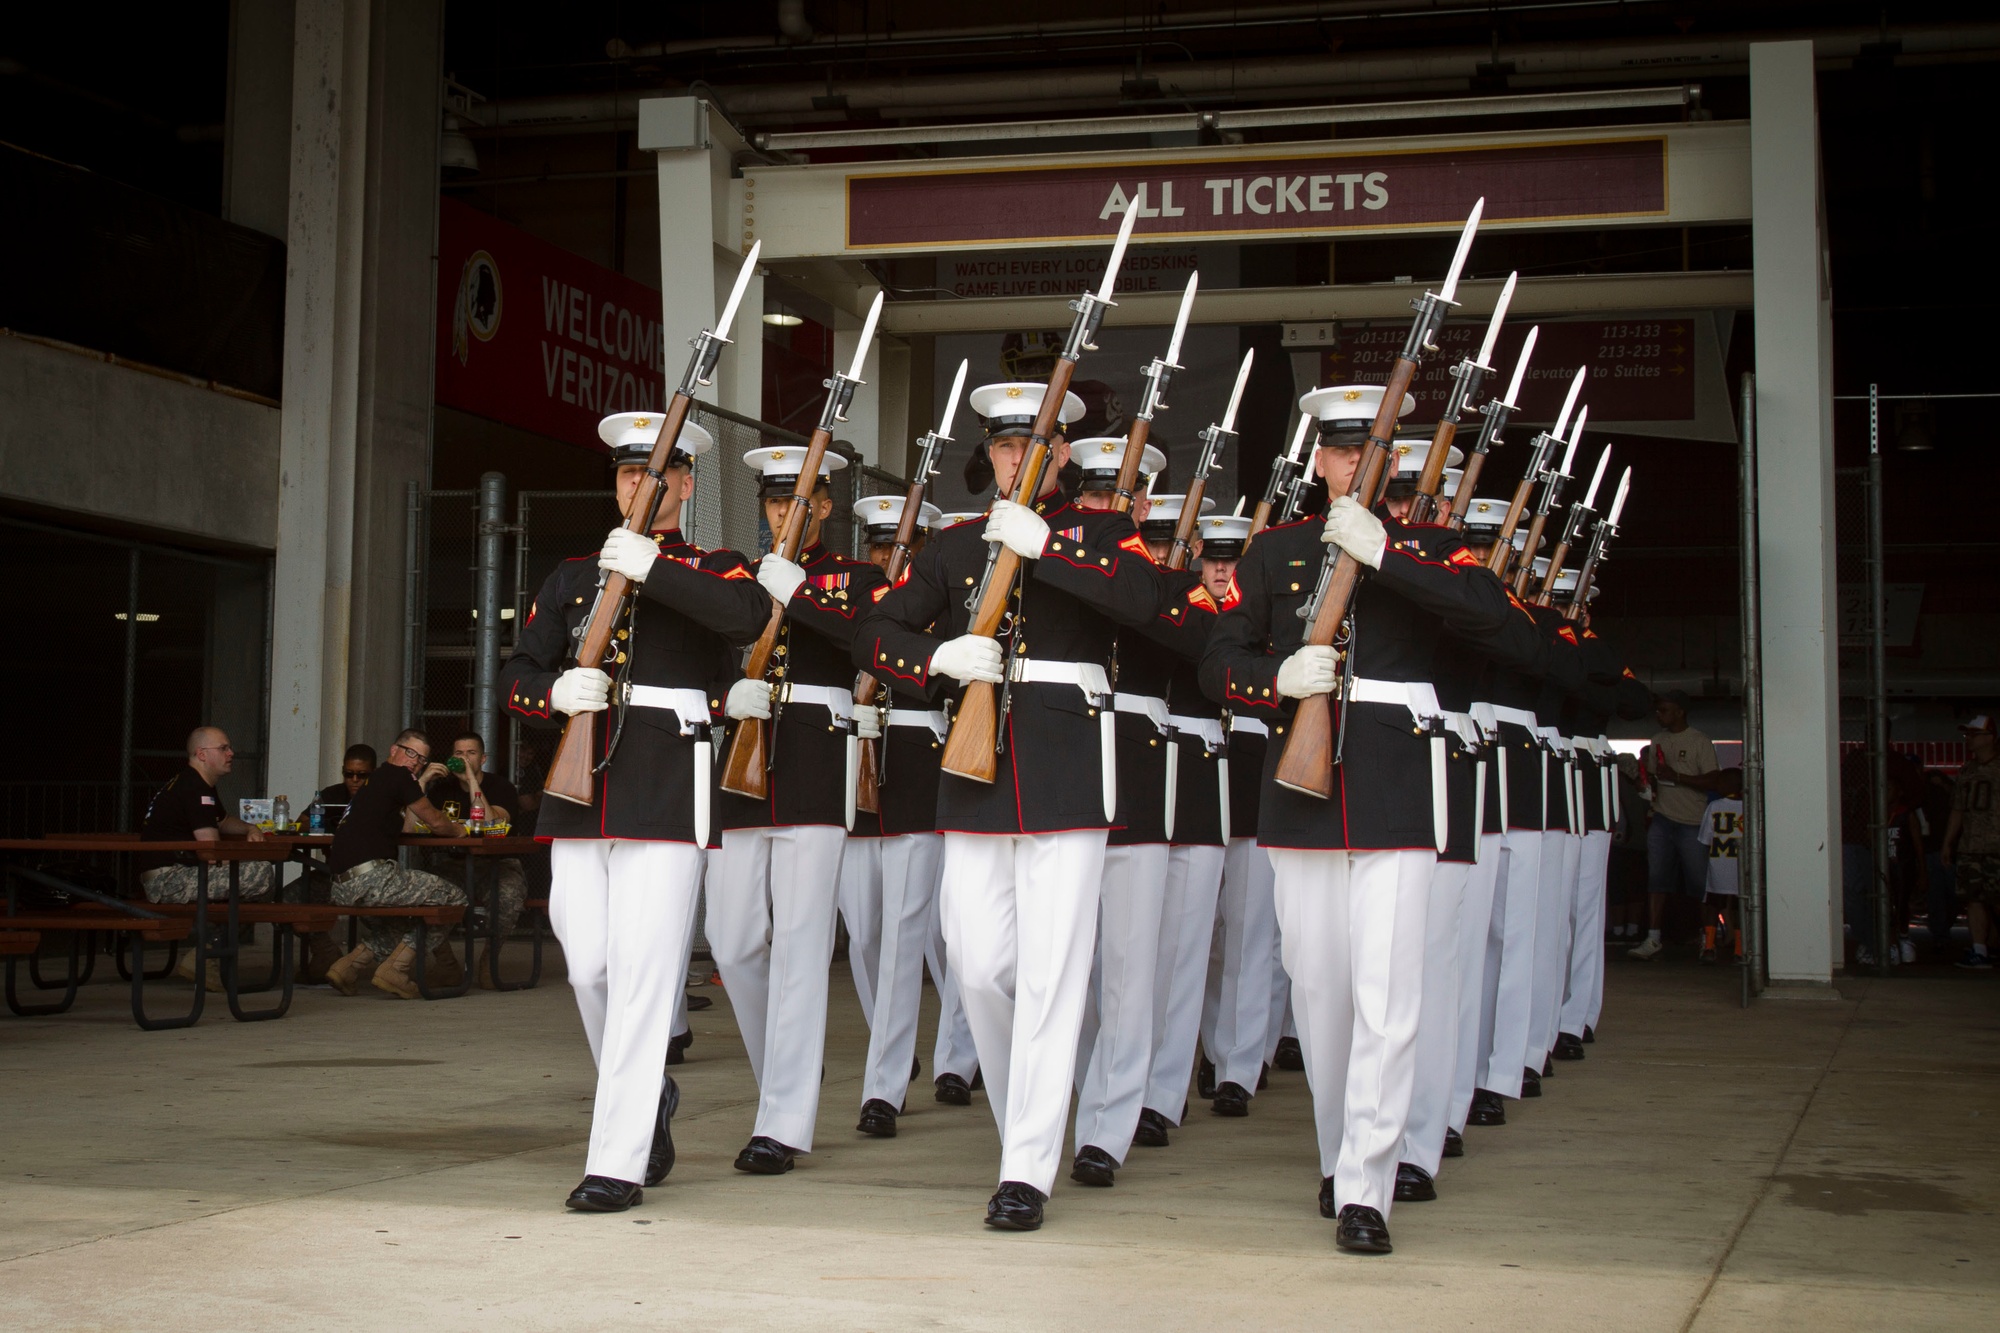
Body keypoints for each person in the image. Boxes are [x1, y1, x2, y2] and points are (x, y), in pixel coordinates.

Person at [1201, 385, 1512, 1256]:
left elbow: (1495, 621)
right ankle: (1341, 1152)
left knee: (1390, 995)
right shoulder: (1275, 553)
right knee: (1321, 985)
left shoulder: (1430, 552)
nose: (1350, 466)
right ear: (1321, 461)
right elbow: (1216, 661)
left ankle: (1367, 1185)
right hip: (1301, 793)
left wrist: (1387, 557)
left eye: (1364, 452)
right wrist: (1278, 684)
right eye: (1338, 452)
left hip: (1396, 785)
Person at [854, 380, 1170, 1231]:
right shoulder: (955, 547)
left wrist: (1048, 549)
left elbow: (1148, 607)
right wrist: (939, 656)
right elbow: (875, 630)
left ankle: (1026, 1166)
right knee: (981, 963)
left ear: (1061, 453)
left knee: (1052, 970)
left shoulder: (1105, 532)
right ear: (988, 454)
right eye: (1002, 445)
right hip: (976, 768)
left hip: (1068, 767)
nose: (1018, 457)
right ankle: (1023, 1121)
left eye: (1033, 443)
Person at [505, 410, 769, 1212]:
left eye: (655, 474)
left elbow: (747, 618)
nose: (638, 486)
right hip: (581, 782)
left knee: (648, 974)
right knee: (589, 963)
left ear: (684, 485)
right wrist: (551, 692)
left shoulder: (712, 567)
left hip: (666, 781)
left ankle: (617, 1159)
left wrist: (653, 568)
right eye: (627, 474)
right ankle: (648, 1092)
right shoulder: (571, 574)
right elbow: (518, 666)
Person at [712, 443, 886, 1173]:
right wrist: (727, 697)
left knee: (803, 942)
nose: (787, 513)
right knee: (732, 938)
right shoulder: (732, 574)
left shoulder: (855, 577)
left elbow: (866, 642)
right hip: (743, 754)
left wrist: (798, 592)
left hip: (815, 757)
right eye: (776, 502)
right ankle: (784, 1069)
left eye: (801, 502)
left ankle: (781, 1121)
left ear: (824, 508)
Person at [844, 494, 977, 1136]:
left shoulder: (951, 589)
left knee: (963, 936)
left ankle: (959, 1056)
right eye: (876, 546)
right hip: (895, 764)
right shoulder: (871, 598)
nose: (885, 557)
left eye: (898, 546)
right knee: (896, 932)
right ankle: (885, 1084)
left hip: (955, 752)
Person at [1194, 512, 1284, 1117]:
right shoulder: (1187, 610)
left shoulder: (1262, 615)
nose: (1223, 571)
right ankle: (1206, 1045)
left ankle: (1240, 1064)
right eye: (1214, 561)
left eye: (1233, 562)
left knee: (1251, 930)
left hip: (1253, 763)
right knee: (1202, 936)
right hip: (1198, 770)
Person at [321, 729, 470, 998]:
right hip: (371, 879)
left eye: (422, 759)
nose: (415, 761)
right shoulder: (397, 775)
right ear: (394, 750)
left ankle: (347, 967)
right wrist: (460, 831)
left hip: (341, 885)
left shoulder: (377, 781)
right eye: (410, 753)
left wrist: (419, 782)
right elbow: (435, 821)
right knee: (455, 899)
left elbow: (407, 826)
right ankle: (396, 970)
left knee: (403, 920)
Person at [138, 726, 272, 989]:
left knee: (237, 886)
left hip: (171, 873)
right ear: (201, 754)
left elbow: (221, 821)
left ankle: (206, 956)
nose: (231, 753)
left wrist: (250, 828)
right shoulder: (195, 788)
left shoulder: (196, 783)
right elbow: (211, 851)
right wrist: (240, 863)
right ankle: (204, 955)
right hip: (169, 878)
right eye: (223, 748)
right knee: (261, 874)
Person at [424, 732, 526, 988]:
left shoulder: (501, 787)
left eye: (470, 753)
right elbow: (417, 824)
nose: (464, 759)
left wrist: (471, 781)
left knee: (509, 895)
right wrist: (423, 781)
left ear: (483, 759)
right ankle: (447, 963)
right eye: (458, 754)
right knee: (426, 893)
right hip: (456, 863)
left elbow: (492, 824)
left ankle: (488, 962)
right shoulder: (442, 789)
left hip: (498, 863)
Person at [1628, 689, 1718, 960]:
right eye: (1658, 711)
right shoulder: (1657, 740)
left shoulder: (1699, 741)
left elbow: (1714, 780)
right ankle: (1653, 939)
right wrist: (1643, 784)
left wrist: (1677, 777)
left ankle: (1709, 939)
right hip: (1662, 819)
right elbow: (1656, 778)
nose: (1659, 715)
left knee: (1700, 883)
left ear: (1680, 711)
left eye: (1665, 710)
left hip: (1692, 822)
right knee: (1657, 879)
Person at [1946, 714, 2000, 968]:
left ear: (1991, 738)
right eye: (1967, 734)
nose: (1969, 739)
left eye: (1974, 734)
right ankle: (1979, 951)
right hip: (1970, 846)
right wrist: (1949, 842)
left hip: (1996, 846)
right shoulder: (1967, 770)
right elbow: (1958, 809)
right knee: (1974, 898)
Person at [1697, 769, 1745, 963]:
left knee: (1712, 907)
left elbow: (1705, 838)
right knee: (1739, 907)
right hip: (1740, 869)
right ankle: (1740, 951)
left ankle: (1709, 947)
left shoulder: (1714, 806)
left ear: (1725, 786)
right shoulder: (1747, 808)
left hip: (1718, 866)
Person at [316, 744, 376, 815]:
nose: (355, 779)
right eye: (349, 774)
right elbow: (300, 823)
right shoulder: (331, 794)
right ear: (343, 771)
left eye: (362, 775)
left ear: (374, 773)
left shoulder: (384, 797)